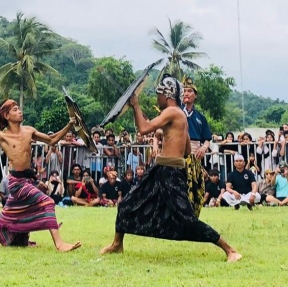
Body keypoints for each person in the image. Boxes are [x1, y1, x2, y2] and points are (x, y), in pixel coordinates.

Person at [100, 75, 241, 262]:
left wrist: (135, 105)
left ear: (167, 95)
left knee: (186, 219)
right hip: (162, 169)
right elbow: (188, 148)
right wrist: (168, 135)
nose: (157, 98)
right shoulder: (178, 115)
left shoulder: (172, 111)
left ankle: (230, 250)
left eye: (158, 94)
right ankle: (117, 244)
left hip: (171, 172)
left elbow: (143, 129)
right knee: (127, 203)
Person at [0, 99, 81, 252]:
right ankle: (59, 244)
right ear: (6, 116)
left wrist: (69, 125)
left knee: (6, 214)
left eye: (19, 108)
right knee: (47, 202)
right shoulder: (2, 136)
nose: (20, 111)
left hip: (27, 180)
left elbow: (52, 139)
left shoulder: (29, 131)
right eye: (15, 109)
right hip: (16, 182)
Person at [181, 77, 211, 217]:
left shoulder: (200, 117)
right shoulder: (176, 112)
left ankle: (193, 217)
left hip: (195, 156)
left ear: (195, 95)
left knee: (196, 188)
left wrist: (204, 148)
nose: (186, 93)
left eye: (189, 91)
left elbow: (207, 138)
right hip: (179, 155)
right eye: (184, 91)